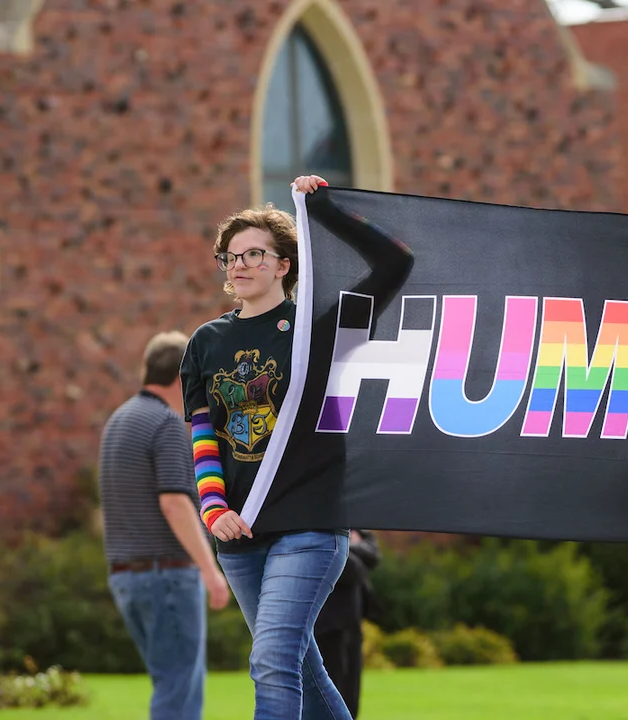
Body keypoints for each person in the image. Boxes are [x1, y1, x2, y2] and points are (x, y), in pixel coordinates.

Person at [180, 174, 413, 720]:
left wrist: (323, 209)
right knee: (300, 666)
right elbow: (203, 436)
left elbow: (395, 263)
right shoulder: (205, 343)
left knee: (271, 660)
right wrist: (213, 509)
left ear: (284, 264)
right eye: (230, 257)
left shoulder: (319, 329)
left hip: (309, 523)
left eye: (254, 253)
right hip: (239, 533)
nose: (239, 265)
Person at [98, 330, 232, 720]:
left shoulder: (119, 421)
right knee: (179, 691)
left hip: (126, 577)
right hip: (167, 576)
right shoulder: (167, 424)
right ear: (182, 377)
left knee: (168, 683)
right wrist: (211, 571)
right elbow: (175, 502)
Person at [314, 529, 381, 718]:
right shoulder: (317, 525)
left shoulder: (357, 526)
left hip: (352, 621)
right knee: (328, 687)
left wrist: (346, 549)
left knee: (351, 690)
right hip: (324, 624)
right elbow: (351, 570)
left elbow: (374, 555)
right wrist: (350, 546)